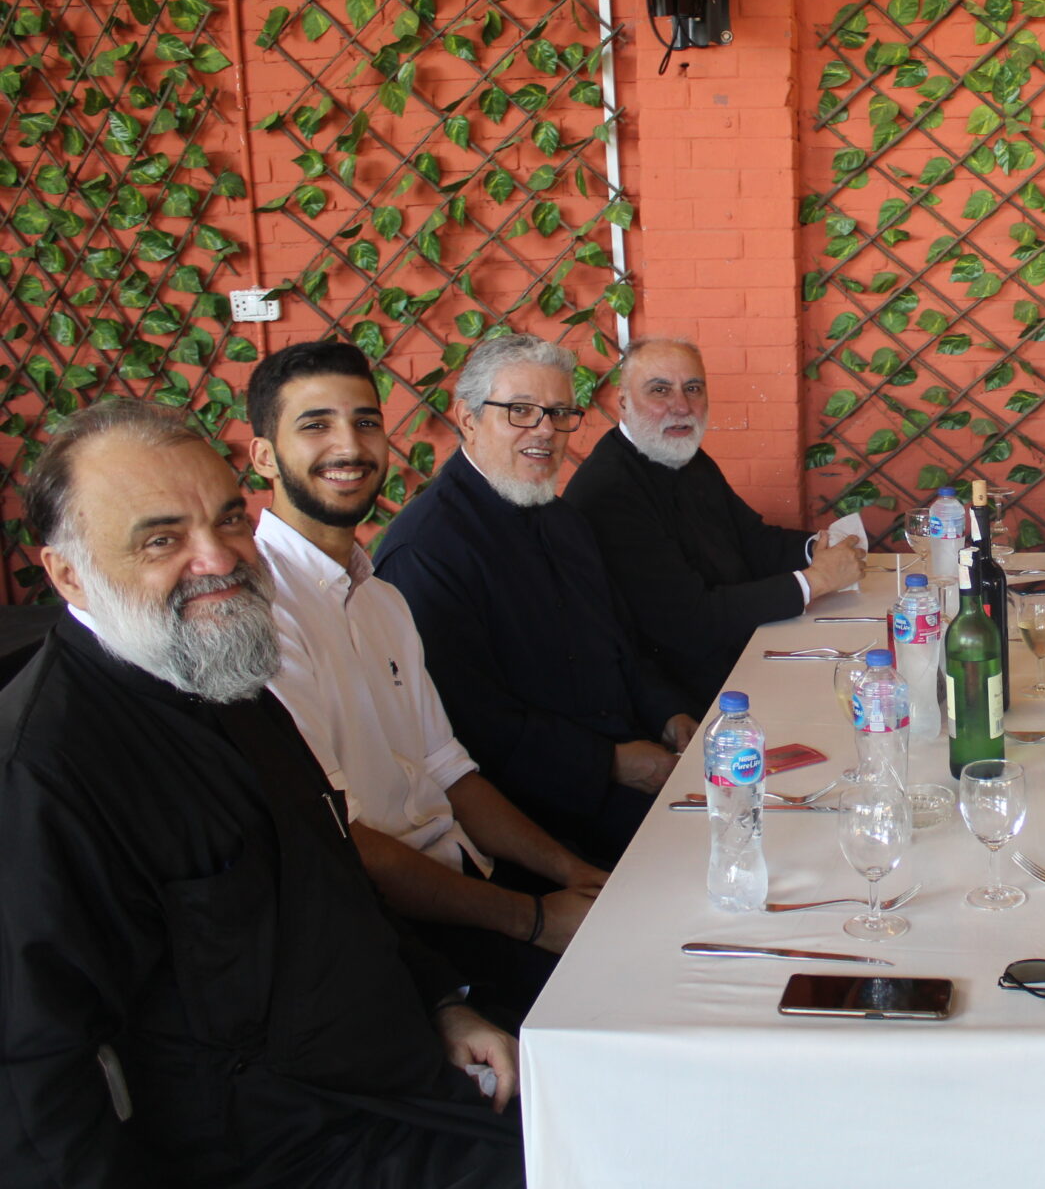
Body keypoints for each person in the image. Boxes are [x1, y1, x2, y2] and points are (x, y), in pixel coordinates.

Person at [1, 400, 522, 1188]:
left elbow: (333, 878)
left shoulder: (222, 676)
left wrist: (441, 1002)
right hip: (279, 1153)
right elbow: (36, 1080)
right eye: (162, 539)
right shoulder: (40, 771)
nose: (217, 558)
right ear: (69, 574)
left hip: (401, 1077)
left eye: (228, 521)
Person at [248, 341, 610, 1026]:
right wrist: (533, 919)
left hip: (469, 876)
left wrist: (573, 873)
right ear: (264, 456)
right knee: (620, 1003)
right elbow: (340, 840)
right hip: (393, 935)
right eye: (316, 425)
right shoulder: (262, 614)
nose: (348, 446)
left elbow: (451, 772)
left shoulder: (379, 597)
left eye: (365, 421)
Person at [374, 334, 697, 865]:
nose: (545, 430)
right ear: (469, 419)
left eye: (559, 413)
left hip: (633, 759)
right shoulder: (427, 549)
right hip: (539, 815)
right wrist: (612, 763)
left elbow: (621, 643)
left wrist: (669, 713)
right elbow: (469, 727)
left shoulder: (564, 520)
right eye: (521, 411)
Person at [565, 337, 867, 709]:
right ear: (623, 402)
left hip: (744, 648)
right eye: (660, 390)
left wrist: (821, 548)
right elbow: (689, 621)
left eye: (693, 388)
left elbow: (751, 539)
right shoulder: (610, 490)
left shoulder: (685, 456)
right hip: (681, 696)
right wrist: (815, 581)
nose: (681, 406)